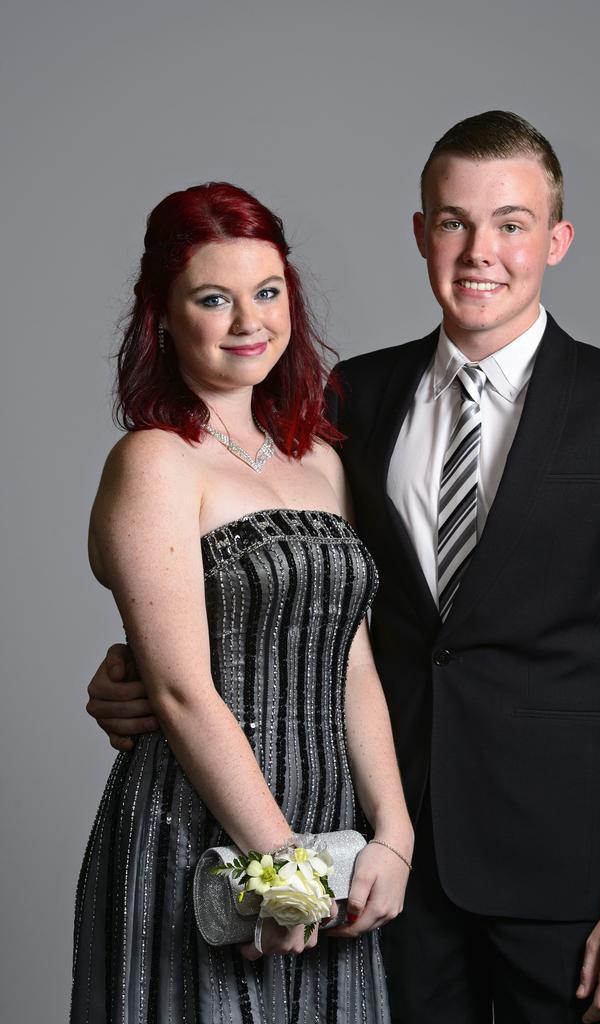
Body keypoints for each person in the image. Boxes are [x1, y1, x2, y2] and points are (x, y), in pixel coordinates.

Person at [86, 113, 600, 1024]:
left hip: (557, 864)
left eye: (512, 223)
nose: (479, 251)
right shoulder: (344, 405)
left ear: (557, 239)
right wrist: (135, 669)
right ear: (421, 234)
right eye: (454, 222)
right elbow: (266, 589)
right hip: (375, 862)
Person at [72, 182, 413, 1024]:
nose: (247, 321)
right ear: (162, 315)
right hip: (203, 830)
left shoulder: (320, 461)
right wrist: (276, 863)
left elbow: (354, 661)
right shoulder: (155, 461)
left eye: (266, 293)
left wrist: (394, 834)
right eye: (213, 299)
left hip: (329, 829)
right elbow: (183, 689)